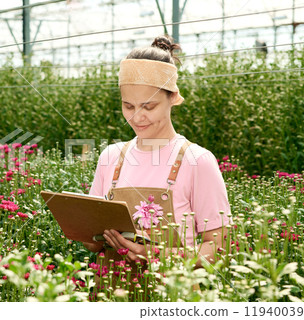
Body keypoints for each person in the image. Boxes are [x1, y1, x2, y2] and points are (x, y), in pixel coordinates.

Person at [83, 34, 232, 285]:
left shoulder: (197, 161)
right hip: (109, 295)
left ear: (173, 97)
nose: (137, 117)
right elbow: (91, 243)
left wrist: (155, 255)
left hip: (173, 297)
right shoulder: (110, 157)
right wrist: (83, 230)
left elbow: (218, 249)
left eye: (148, 106)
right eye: (128, 106)